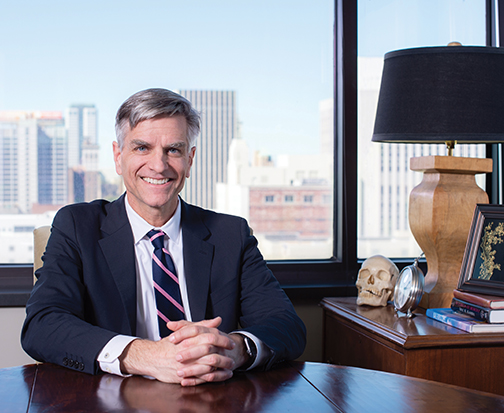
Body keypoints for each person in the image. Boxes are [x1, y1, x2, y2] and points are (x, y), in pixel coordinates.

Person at [21, 88, 306, 386]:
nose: (159, 165)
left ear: (190, 159)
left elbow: (286, 326)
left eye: (173, 150)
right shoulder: (78, 226)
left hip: (210, 399)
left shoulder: (230, 234)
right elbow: (43, 325)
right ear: (119, 157)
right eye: (142, 148)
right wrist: (143, 354)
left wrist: (234, 349)